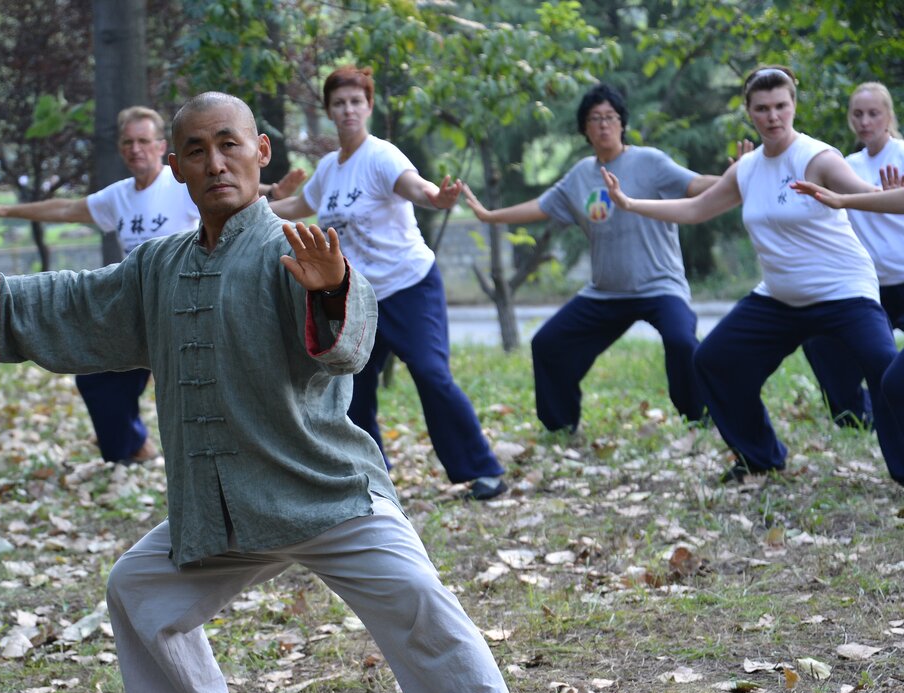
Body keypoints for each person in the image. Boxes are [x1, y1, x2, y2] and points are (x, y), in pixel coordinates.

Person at [0, 92, 544, 693]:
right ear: (176, 165)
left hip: (326, 493)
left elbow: (349, 344)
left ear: (262, 152)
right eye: (195, 150)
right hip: (224, 507)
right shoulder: (159, 266)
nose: (214, 161)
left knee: (423, 605)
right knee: (136, 588)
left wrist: (331, 291)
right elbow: (79, 301)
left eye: (228, 144)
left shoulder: (299, 249)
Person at [601, 65, 904, 486]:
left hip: (843, 294)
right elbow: (695, 209)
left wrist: (891, 193)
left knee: (887, 369)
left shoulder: (817, 158)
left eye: (781, 105)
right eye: (762, 108)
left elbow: (863, 193)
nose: (773, 116)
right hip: (779, 300)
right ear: (749, 112)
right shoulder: (747, 168)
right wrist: (631, 203)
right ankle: (759, 456)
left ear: (793, 106)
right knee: (714, 360)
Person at [0, 107, 306, 464]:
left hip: (189, 301)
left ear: (162, 148)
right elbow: (67, 210)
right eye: (128, 142)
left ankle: (194, 455)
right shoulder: (118, 196)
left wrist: (272, 190)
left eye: (144, 141)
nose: (136, 149)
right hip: (139, 302)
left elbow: (231, 189)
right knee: (98, 379)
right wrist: (10, 212)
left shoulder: (181, 181)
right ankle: (133, 448)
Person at [271, 66, 507, 501]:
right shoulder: (328, 169)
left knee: (432, 374)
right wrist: (247, 208)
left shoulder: (382, 156)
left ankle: (482, 469)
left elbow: (417, 188)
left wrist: (439, 198)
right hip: (359, 298)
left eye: (355, 102)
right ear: (328, 110)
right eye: (339, 103)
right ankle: (370, 473)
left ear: (369, 107)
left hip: (409, 287)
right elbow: (298, 204)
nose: (347, 110)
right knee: (350, 389)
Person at [460, 83, 726, 436]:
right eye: (595, 119)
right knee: (548, 344)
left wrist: (735, 178)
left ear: (622, 122)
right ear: (584, 128)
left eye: (610, 117)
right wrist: (489, 215)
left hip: (660, 286)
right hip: (606, 292)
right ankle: (560, 426)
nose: (603, 125)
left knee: (681, 340)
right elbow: (540, 206)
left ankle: (699, 418)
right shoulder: (581, 174)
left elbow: (695, 185)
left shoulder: (650, 162)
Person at [800, 82, 904, 427]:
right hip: (869, 286)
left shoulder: (902, 154)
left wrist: (894, 200)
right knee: (819, 341)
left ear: (888, 116)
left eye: (873, 113)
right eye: (857, 114)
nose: (865, 121)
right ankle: (856, 415)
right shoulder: (845, 165)